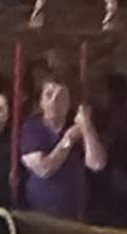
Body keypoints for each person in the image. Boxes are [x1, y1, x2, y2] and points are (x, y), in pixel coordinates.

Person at [20, 75, 106, 221]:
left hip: (74, 213)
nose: (54, 101)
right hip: (39, 213)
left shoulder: (78, 127)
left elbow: (97, 164)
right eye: (49, 95)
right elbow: (43, 169)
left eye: (61, 97)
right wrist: (68, 140)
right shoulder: (32, 128)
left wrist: (86, 126)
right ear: (41, 101)